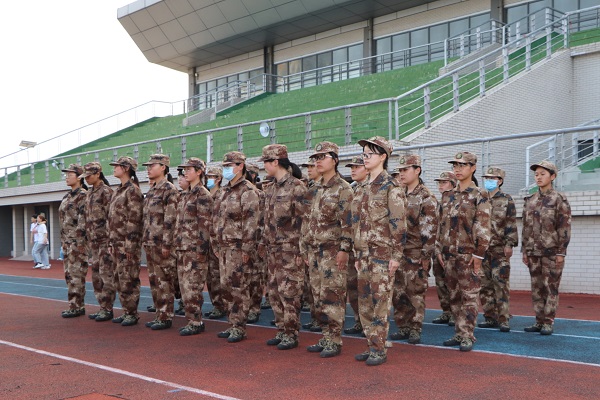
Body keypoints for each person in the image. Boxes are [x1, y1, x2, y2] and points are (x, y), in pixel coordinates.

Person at [351, 136, 407, 366]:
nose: (365, 158)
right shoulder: (361, 187)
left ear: (383, 157)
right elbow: (356, 223)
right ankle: (371, 343)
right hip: (364, 256)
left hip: (382, 256)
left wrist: (396, 256)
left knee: (380, 304)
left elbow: (399, 224)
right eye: (363, 154)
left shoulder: (391, 187)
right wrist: (357, 254)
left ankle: (379, 349)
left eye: (370, 154)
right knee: (364, 304)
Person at [436, 151, 491, 352]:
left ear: (473, 168)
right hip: (449, 254)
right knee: (454, 295)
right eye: (455, 165)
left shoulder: (479, 194)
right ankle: (458, 332)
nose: (457, 169)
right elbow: (441, 224)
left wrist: (479, 254)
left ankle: (467, 334)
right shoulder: (447, 196)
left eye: (462, 165)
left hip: (468, 255)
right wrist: (439, 248)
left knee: (469, 296)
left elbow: (483, 226)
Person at [302, 142, 353, 358]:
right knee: (318, 297)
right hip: (314, 252)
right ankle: (325, 335)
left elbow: (348, 223)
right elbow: (307, 220)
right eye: (316, 158)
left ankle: (335, 339)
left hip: (332, 252)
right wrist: (305, 247)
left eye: (323, 157)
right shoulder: (314, 189)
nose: (318, 161)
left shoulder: (343, 189)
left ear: (335, 160)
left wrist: (344, 249)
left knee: (333, 296)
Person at [260, 144, 308, 350]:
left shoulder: (297, 187)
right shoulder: (270, 188)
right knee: (274, 292)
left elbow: (305, 221)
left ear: (275, 162)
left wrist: (300, 250)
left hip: (290, 249)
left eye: (266, 161)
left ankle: (291, 332)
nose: (264, 166)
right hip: (273, 249)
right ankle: (281, 328)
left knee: (289, 292)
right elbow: (267, 220)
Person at [212, 151, 261, 343]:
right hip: (224, 247)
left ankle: (239, 327)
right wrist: (216, 243)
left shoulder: (247, 191)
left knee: (238, 287)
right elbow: (216, 218)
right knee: (226, 287)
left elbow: (251, 222)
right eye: (224, 166)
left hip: (238, 248)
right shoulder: (224, 191)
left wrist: (247, 249)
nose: (226, 169)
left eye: (229, 166)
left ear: (240, 166)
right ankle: (232, 323)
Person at [390, 154, 438, 345]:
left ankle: (415, 328)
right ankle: (403, 325)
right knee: (398, 292)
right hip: (397, 253)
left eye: (405, 170)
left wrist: (426, 256)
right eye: (400, 170)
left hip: (415, 253)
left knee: (415, 292)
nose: (402, 173)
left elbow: (430, 230)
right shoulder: (397, 193)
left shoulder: (426, 197)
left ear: (417, 170)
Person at [522, 160, 571, 336]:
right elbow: (526, 227)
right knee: (537, 288)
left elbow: (564, 228)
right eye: (536, 174)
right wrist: (524, 250)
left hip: (551, 252)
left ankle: (548, 322)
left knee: (550, 287)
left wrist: (561, 252)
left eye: (543, 174)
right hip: (533, 252)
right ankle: (539, 320)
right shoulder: (531, 200)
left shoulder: (559, 199)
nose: (538, 177)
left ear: (553, 176)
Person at [175, 157, 213, 336]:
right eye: (184, 170)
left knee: (193, 287)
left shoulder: (202, 195)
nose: (185, 172)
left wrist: (201, 250)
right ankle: (191, 319)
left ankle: (196, 321)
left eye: (189, 169)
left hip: (195, 249)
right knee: (184, 287)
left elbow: (205, 225)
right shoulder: (185, 195)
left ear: (199, 172)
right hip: (183, 248)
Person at [478, 167, 518, 332]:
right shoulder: (480, 198)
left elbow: (511, 223)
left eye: (492, 178)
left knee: (500, 283)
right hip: (482, 249)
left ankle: (503, 318)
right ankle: (490, 317)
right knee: (484, 285)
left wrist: (509, 244)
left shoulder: (506, 199)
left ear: (500, 181)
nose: (488, 180)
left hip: (499, 249)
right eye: (486, 178)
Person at [142, 154, 179, 330]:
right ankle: (159, 314)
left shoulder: (169, 189)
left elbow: (171, 220)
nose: (148, 169)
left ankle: (165, 316)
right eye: (148, 166)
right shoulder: (151, 191)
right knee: (154, 281)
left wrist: (167, 244)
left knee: (164, 281)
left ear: (163, 167)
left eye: (152, 165)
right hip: (150, 243)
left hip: (162, 244)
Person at [108, 156, 143, 327]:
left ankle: (132, 313)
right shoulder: (118, 191)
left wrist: (130, 245)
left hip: (126, 244)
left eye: (117, 166)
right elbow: (112, 218)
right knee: (119, 279)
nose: (114, 168)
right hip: (116, 243)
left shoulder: (133, 190)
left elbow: (134, 219)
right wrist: (111, 242)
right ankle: (126, 310)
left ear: (126, 168)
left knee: (129, 278)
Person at [80, 162, 115, 322]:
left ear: (97, 174)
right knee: (96, 276)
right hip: (93, 241)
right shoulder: (90, 193)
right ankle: (102, 306)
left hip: (104, 240)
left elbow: (111, 217)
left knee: (106, 275)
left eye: (89, 176)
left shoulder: (106, 192)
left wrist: (110, 240)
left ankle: (107, 308)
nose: (86, 179)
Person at [59, 164, 89, 318]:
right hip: (67, 242)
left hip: (77, 243)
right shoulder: (67, 196)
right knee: (69, 275)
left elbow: (83, 221)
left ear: (79, 178)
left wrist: (80, 243)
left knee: (76, 275)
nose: (66, 177)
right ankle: (73, 304)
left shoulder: (83, 196)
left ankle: (77, 306)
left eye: (70, 175)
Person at [343, 155, 367, 336]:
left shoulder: (372, 190)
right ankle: (359, 321)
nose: (353, 170)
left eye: (357, 167)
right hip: (353, 248)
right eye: (351, 167)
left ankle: (370, 327)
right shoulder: (354, 190)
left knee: (368, 291)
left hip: (368, 250)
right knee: (353, 288)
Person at [430, 171, 457, 326]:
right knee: (440, 282)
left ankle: (455, 313)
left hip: (451, 249)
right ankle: (446, 311)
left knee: (453, 283)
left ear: (453, 184)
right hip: (438, 248)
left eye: (444, 182)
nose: (440, 185)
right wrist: (437, 248)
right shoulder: (439, 202)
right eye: (439, 182)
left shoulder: (456, 201)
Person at [300, 156, 322, 332]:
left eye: (311, 166)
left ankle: (327, 326)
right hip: (311, 246)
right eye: (307, 166)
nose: (309, 169)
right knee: (313, 288)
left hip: (327, 248)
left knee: (326, 290)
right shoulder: (311, 190)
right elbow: (306, 220)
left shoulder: (337, 189)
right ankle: (317, 319)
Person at [204, 166, 227, 320]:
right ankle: (216, 304)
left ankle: (221, 305)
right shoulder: (206, 195)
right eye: (207, 177)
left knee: (218, 275)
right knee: (210, 277)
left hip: (217, 242)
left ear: (218, 179)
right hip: (206, 241)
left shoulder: (222, 195)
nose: (208, 179)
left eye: (211, 177)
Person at [246, 162, 266, 324]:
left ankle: (254, 308)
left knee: (255, 278)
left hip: (257, 241)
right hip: (243, 243)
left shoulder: (259, 194)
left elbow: (263, 220)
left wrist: (261, 242)